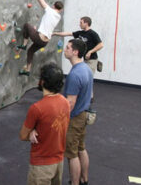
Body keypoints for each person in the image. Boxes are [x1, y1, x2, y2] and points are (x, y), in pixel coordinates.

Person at [20, 63, 70, 185]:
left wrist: (31, 132)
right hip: (59, 162)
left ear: (43, 82)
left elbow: (22, 135)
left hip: (41, 165)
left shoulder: (37, 108)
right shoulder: (65, 103)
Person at [18, 0, 64, 76]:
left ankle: (24, 44)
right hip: (45, 42)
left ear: (53, 6)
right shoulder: (58, 17)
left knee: (27, 25)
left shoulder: (50, 11)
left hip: (39, 38)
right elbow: (43, 3)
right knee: (30, 52)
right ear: (60, 10)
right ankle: (27, 70)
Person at [63, 39, 93, 185]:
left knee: (71, 154)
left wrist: (61, 120)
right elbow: (90, 94)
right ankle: (84, 180)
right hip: (84, 114)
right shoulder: (86, 68)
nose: (65, 49)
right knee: (81, 148)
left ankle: (75, 183)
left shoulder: (74, 75)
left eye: (68, 47)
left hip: (75, 118)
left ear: (75, 52)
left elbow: (70, 103)